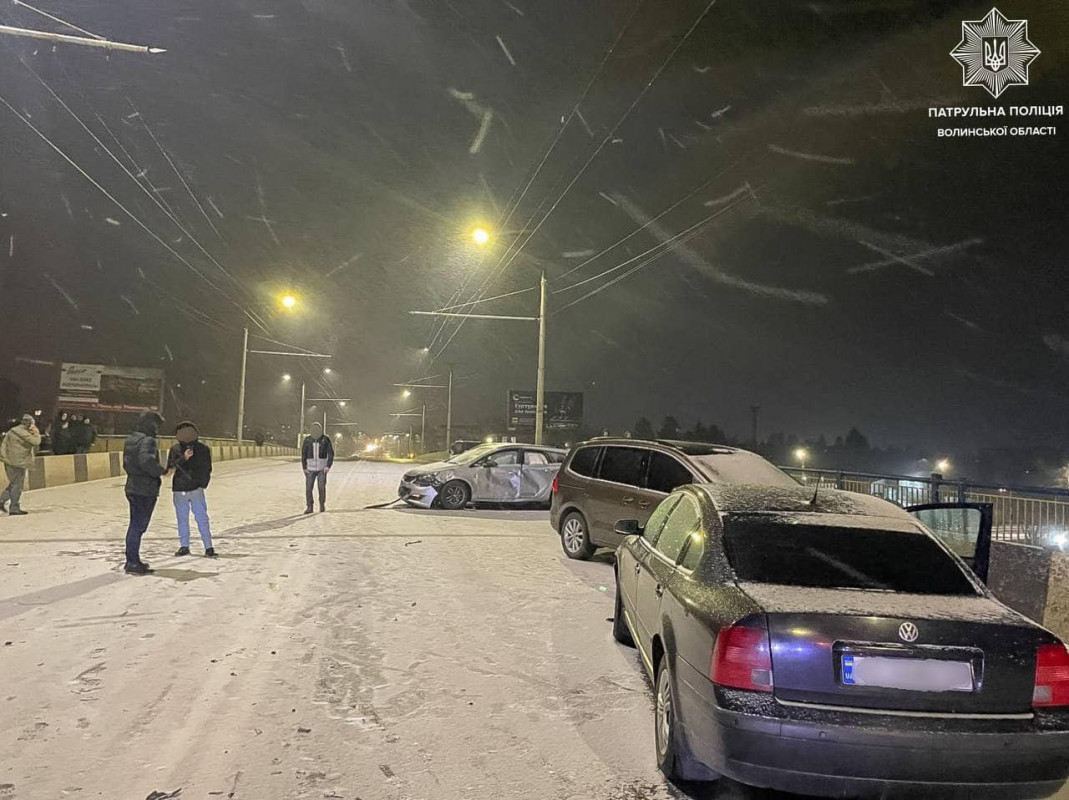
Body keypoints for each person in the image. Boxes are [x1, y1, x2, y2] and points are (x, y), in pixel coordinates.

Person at [123, 411, 169, 575]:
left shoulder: (132, 438)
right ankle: (132, 562)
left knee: (134, 524)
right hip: (145, 488)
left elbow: (128, 462)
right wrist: (160, 471)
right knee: (139, 526)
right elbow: (146, 460)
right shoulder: (148, 440)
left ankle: (132, 559)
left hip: (132, 485)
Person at [167, 421, 216, 558]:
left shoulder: (203, 449)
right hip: (179, 489)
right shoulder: (175, 449)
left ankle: (208, 546)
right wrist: (184, 458)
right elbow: (170, 467)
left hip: (196, 489)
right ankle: (184, 546)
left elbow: (207, 468)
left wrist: (202, 484)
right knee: (182, 519)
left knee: (202, 518)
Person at [0, 414, 41, 515]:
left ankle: (5, 502)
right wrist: (35, 432)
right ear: (29, 423)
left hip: (9, 460)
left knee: (14, 483)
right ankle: (13, 507)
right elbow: (36, 442)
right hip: (19, 462)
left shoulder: (12, 431)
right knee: (17, 485)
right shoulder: (23, 433)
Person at [301, 422, 334, 514]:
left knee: (321, 487)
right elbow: (303, 454)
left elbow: (330, 453)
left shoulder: (325, 439)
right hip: (310, 468)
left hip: (322, 468)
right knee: (308, 489)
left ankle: (322, 504)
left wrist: (328, 466)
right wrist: (304, 467)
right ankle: (309, 507)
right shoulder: (307, 440)